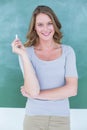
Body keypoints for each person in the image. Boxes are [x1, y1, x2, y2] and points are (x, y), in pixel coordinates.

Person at [11, 5, 78, 130]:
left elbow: (72, 90)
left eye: (49, 23)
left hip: (61, 119)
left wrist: (37, 95)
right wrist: (24, 56)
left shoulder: (68, 52)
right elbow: (32, 90)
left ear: (55, 25)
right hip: (33, 119)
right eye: (40, 24)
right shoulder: (26, 53)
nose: (45, 29)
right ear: (34, 28)